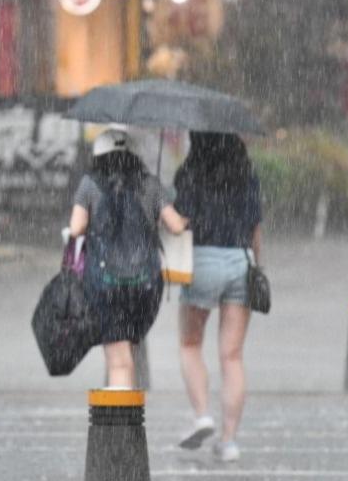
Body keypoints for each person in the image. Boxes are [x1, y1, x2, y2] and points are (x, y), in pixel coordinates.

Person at [68, 128, 187, 387]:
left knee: (118, 361)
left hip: (105, 283)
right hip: (144, 284)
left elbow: (76, 228)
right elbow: (176, 226)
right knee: (131, 349)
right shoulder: (150, 184)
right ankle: (134, 396)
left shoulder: (90, 184)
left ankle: (120, 419)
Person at [172, 132, 263, 462]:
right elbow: (255, 228)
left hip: (203, 259)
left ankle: (202, 415)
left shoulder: (190, 173)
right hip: (241, 260)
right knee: (232, 356)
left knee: (190, 344)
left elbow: (179, 222)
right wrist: (256, 266)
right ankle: (229, 442)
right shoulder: (247, 175)